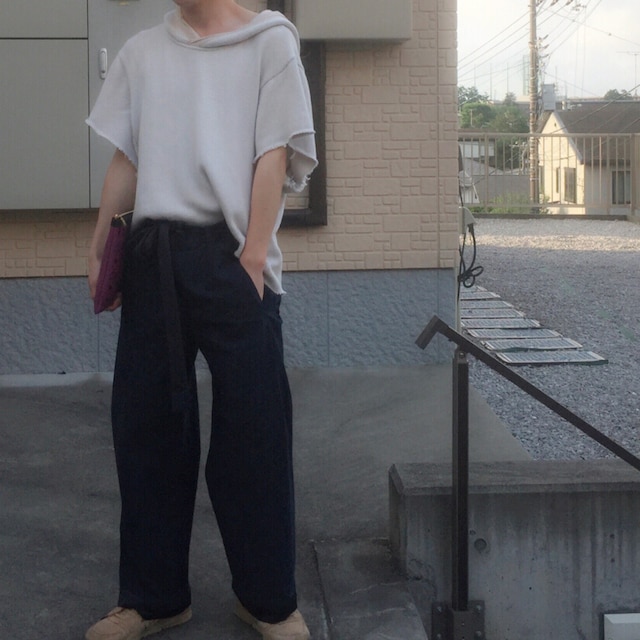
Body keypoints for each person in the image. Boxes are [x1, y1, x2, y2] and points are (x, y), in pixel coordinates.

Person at [84, 1, 317, 639]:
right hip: (154, 254)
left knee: (255, 432)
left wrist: (251, 257)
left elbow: (274, 154)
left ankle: (268, 601)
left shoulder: (270, 41)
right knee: (147, 429)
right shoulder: (142, 52)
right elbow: (128, 160)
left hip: (233, 255)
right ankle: (153, 598)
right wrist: (101, 248)